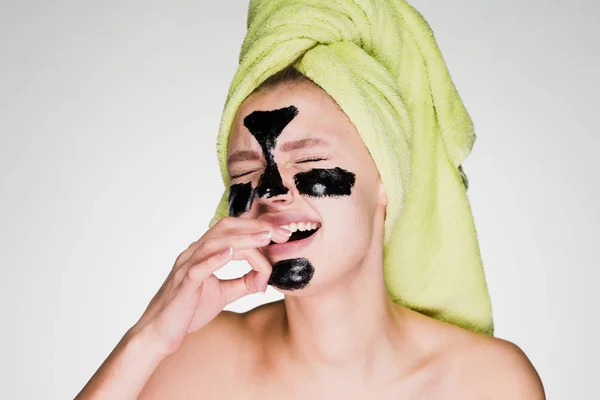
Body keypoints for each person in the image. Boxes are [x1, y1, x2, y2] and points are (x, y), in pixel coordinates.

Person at [75, 2, 546, 399]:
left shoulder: (487, 383)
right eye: (245, 173)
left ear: (387, 180)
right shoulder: (191, 361)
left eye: (310, 164)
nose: (272, 191)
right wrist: (148, 339)